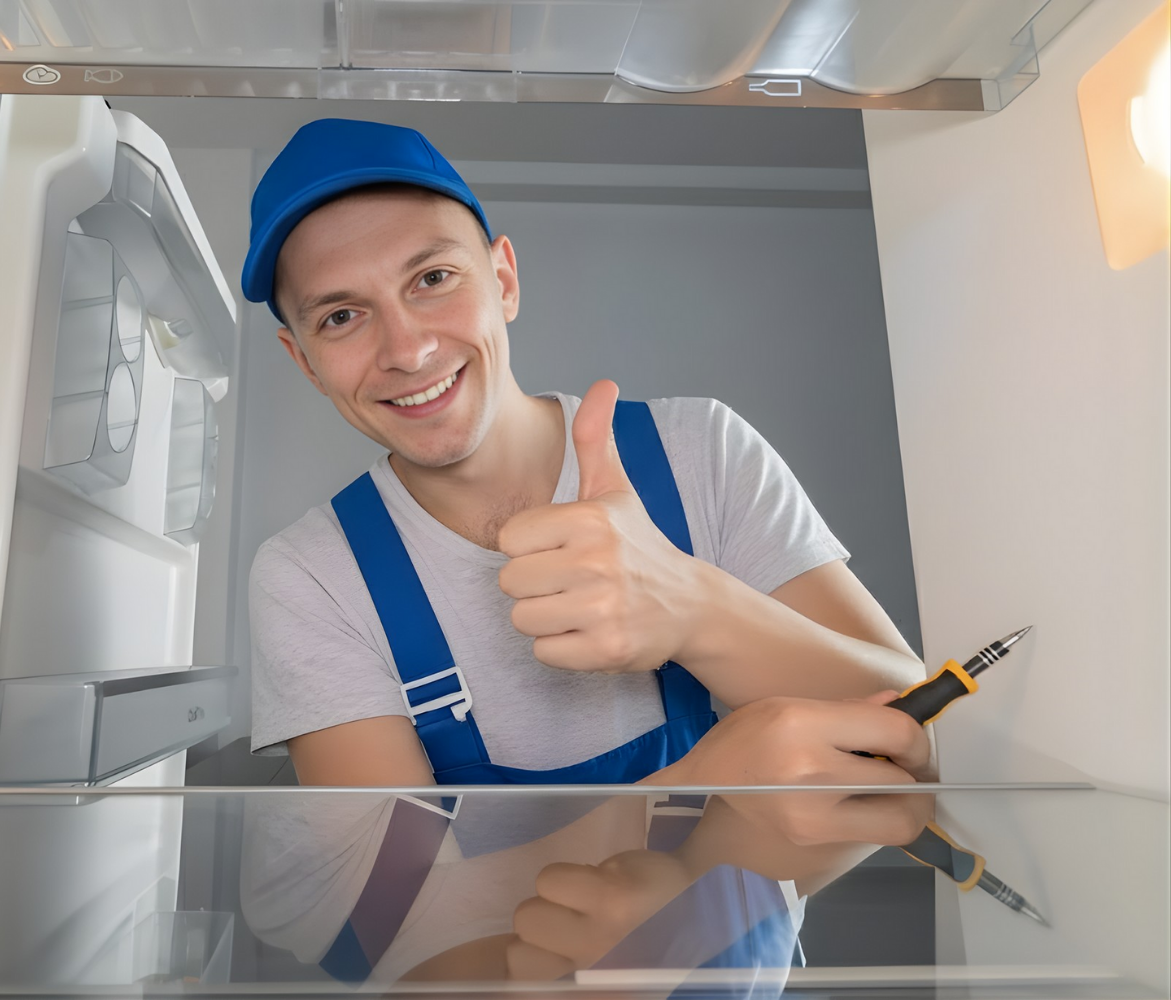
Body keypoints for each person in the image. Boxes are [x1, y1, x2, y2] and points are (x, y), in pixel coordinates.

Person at [241, 118, 931, 788]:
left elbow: (923, 737)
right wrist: (691, 804)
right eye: (341, 317)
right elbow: (390, 894)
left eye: (433, 279)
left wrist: (695, 610)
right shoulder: (311, 577)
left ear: (503, 281)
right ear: (304, 362)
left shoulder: (700, 452)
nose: (408, 350)